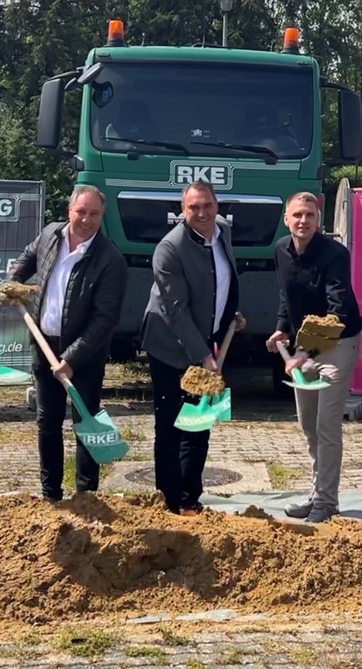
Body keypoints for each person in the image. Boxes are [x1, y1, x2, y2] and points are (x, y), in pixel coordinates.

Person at [7, 185, 128, 502]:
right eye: (81, 212)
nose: (86, 220)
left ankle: (87, 495)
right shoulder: (51, 235)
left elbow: (104, 320)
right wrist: (15, 282)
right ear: (69, 210)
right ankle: (50, 494)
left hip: (85, 353)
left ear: (102, 217)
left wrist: (72, 358)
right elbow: (28, 257)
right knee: (47, 422)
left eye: (94, 214)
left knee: (86, 422)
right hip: (44, 344)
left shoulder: (110, 260)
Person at [140, 181, 245, 516]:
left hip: (206, 341)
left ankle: (190, 499)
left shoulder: (222, 232)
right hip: (169, 344)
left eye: (207, 206)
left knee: (200, 423)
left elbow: (220, 279)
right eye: (193, 208)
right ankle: (169, 503)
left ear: (217, 206)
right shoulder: (169, 249)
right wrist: (203, 357)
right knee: (172, 426)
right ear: (182, 211)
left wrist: (230, 315)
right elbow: (175, 310)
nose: (201, 213)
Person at [266, 191, 362, 523]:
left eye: (310, 214)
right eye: (297, 215)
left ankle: (327, 499)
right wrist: (282, 329)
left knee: (326, 425)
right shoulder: (281, 249)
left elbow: (336, 310)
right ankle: (316, 490)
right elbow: (286, 294)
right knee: (308, 424)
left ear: (318, 219)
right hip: (304, 346)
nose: (303, 221)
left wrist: (304, 352)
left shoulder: (335, 253)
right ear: (287, 219)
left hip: (339, 343)